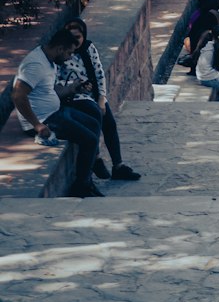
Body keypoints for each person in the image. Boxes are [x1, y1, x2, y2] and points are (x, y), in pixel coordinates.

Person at [12, 27, 104, 197]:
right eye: (69, 53)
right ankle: (81, 186)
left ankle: (87, 178)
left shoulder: (49, 60)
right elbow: (18, 96)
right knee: (89, 139)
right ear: (60, 49)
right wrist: (37, 125)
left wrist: (72, 89)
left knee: (93, 122)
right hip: (45, 120)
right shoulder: (35, 65)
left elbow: (50, 90)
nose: (70, 57)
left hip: (56, 112)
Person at [57, 18, 141, 182]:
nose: (75, 41)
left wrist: (102, 97)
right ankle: (95, 158)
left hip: (93, 94)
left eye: (78, 37)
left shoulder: (89, 48)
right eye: (71, 36)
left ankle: (118, 165)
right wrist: (76, 86)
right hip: (74, 96)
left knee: (109, 122)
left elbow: (99, 73)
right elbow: (57, 80)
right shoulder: (63, 53)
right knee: (94, 115)